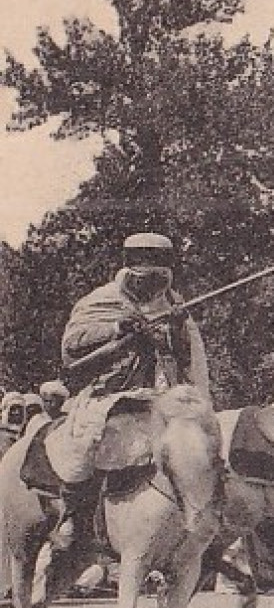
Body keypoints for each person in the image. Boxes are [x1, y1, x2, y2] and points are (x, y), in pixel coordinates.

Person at [51, 233, 212, 551]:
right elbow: (71, 348)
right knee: (93, 438)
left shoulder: (175, 307)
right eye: (146, 280)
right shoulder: (101, 301)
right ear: (130, 275)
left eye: (159, 280)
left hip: (164, 394)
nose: (153, 288)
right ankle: (75, 516)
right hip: (112, 392)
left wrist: (176, 330)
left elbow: (188, 357)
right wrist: (117, 330)